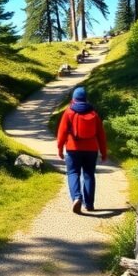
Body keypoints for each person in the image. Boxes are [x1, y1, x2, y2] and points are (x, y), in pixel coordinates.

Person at [56, 86, 108, 214]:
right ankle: (89, 204)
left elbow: (62, 132)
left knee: (73, 173)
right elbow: (101, 135)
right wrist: (103, 152)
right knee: (89, 174)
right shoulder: (94, 114)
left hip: (73, 149)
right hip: (91, 150)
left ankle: (77, 198)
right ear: (86, 99)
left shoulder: (69, 112)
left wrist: (60, 149)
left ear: (73, 99)